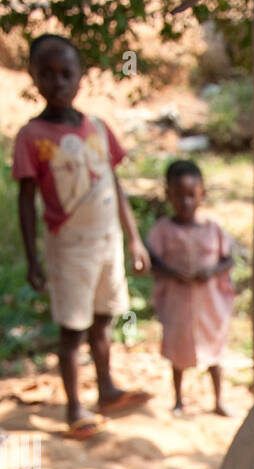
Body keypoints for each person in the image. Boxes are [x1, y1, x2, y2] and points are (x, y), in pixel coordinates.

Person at [13, 33, 151, 440]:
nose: (57, 82)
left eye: (65, 73)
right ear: (34, 79)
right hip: (69, 247)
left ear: (81, 78)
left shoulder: (99, 128)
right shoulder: (31, 136)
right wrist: (33, 258)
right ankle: (75, 406)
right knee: (73, 329)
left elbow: (115, 185)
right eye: (47, 74)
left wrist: (134, 239)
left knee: (103, 319)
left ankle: (107, 389)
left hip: (107, 242)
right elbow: (26, 199)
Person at [145, 161, 236, 417]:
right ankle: (178, 401)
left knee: (214, 352)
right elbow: (151, 259)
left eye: (191, 196)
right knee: (178, 353)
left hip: (210, 305)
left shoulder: (213, 229)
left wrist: (211, 272)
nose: (185, 202)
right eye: (178, 196)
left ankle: (218, 400)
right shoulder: (163, 230)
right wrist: (172, 273)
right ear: (168, 196)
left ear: (201, 196)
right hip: (177, 303)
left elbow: (228, 258)